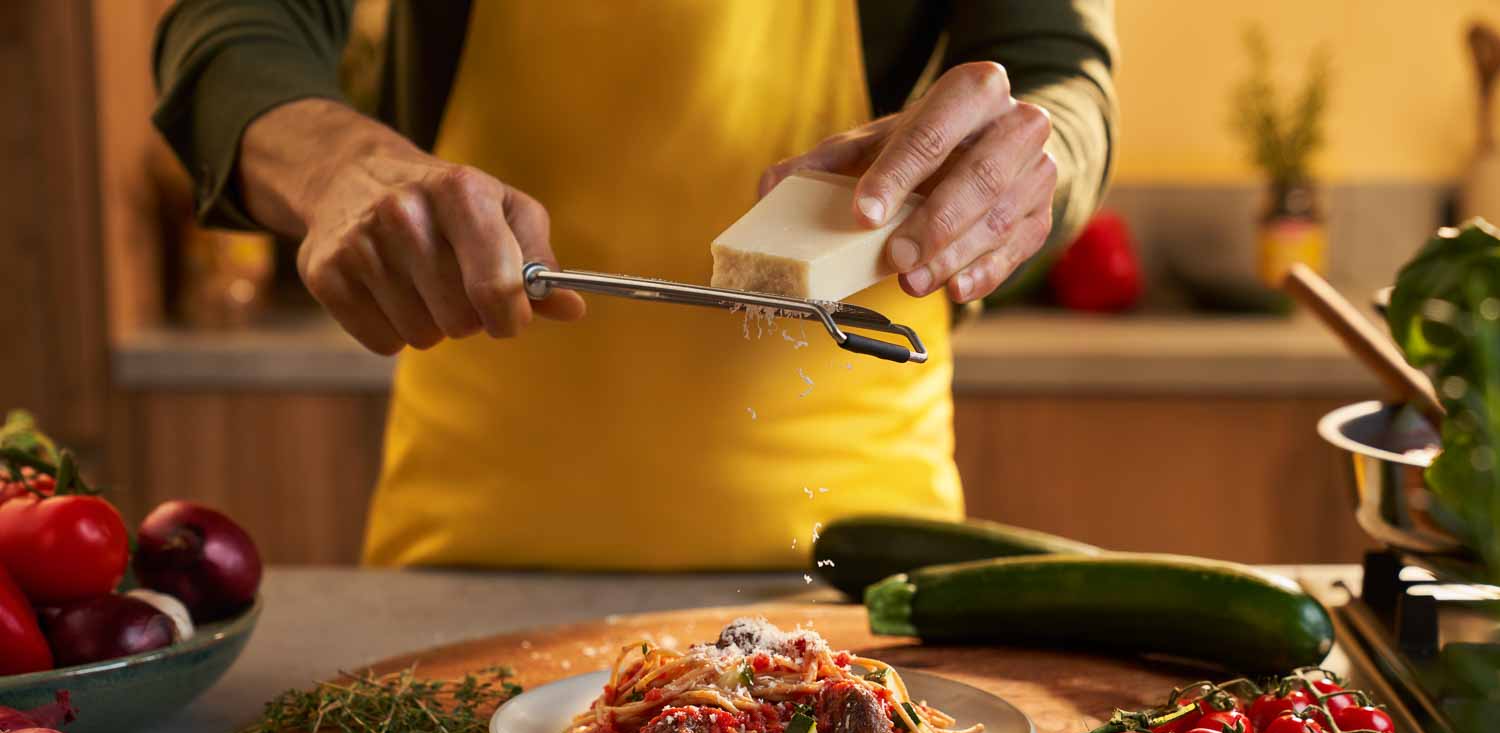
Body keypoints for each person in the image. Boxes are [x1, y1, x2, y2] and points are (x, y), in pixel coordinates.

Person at [153, 2, 1117, 570]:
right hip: (472, 548)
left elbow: (1057, 76)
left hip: (857, 563)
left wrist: (1026, 163)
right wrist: (335, 167)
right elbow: (231, 26)